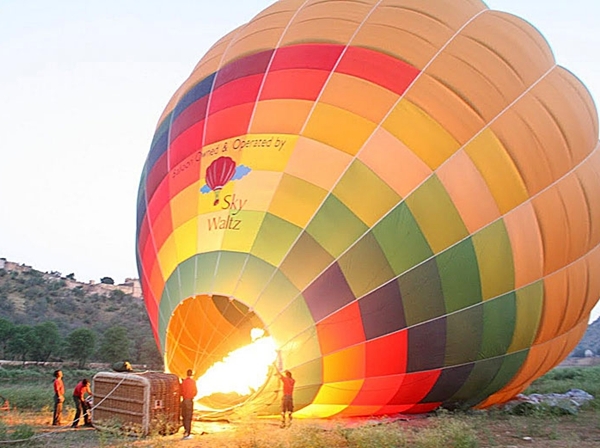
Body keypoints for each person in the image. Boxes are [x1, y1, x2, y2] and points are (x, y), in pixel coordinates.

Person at [180, 369, 197, 440]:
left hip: (184, 401)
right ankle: (188, 433)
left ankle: (185, 430)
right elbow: (195, 391)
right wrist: (191, 396)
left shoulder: (183, 382)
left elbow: (181, 391)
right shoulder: (193, 382)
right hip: (189, 401)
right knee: (188, 417)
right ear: (192, 374)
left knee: (184, 416)